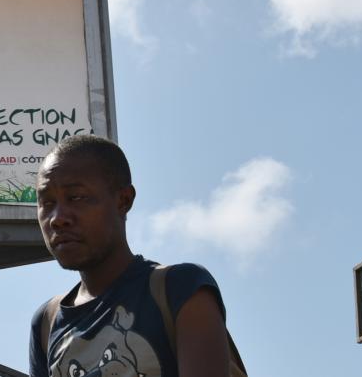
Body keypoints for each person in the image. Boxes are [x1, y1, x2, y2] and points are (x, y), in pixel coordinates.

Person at [30, 134, 242, 377]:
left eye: (76, 197)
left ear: (123, 200)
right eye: (47, 203)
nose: (58, 218)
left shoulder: (180, 289)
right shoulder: (47, 323)